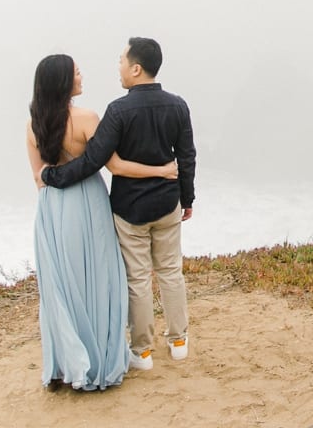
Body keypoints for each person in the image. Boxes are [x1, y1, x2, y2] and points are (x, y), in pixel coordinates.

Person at [41, 37, 197, 371]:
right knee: (171, 271)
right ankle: (179, 341)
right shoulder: (178, 105)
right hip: (168, 204)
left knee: (138, 279)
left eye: (122, 62)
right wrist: (188, 197)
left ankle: (142, 352)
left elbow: (94, 161)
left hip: (131, 210)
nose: (119, 68)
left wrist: (53, 177)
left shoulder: (118, 110)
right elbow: (186, 156)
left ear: (136, 68)